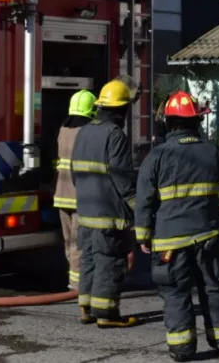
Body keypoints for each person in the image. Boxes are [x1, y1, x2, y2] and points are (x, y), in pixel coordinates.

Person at [135, 91, 219, 362]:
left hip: (171, 242)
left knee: (176, 294)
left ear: (168, 122)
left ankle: (182, 349)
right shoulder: (214, 152)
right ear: (197, 122)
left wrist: (143, 235)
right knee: (214, 289)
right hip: (210, 236)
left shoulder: (156, 156)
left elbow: (144, 200)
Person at [71, 78, 139, 328]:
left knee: (88, 259)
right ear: (121, 109)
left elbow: (74, 173)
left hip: (86, 213)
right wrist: (138, 209)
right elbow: (122, 178)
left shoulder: (84, 132)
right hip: (108, 214)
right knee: (109, 262)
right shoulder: (115, 134)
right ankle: (107, 314)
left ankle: (86, 308)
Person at [54, 89, 97, 290]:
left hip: (61, 195)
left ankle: (74, 279)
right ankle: (78, 285)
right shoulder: (87, 132)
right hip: (80, 196)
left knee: (69, 241)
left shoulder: (63, 129)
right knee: (80, 243)